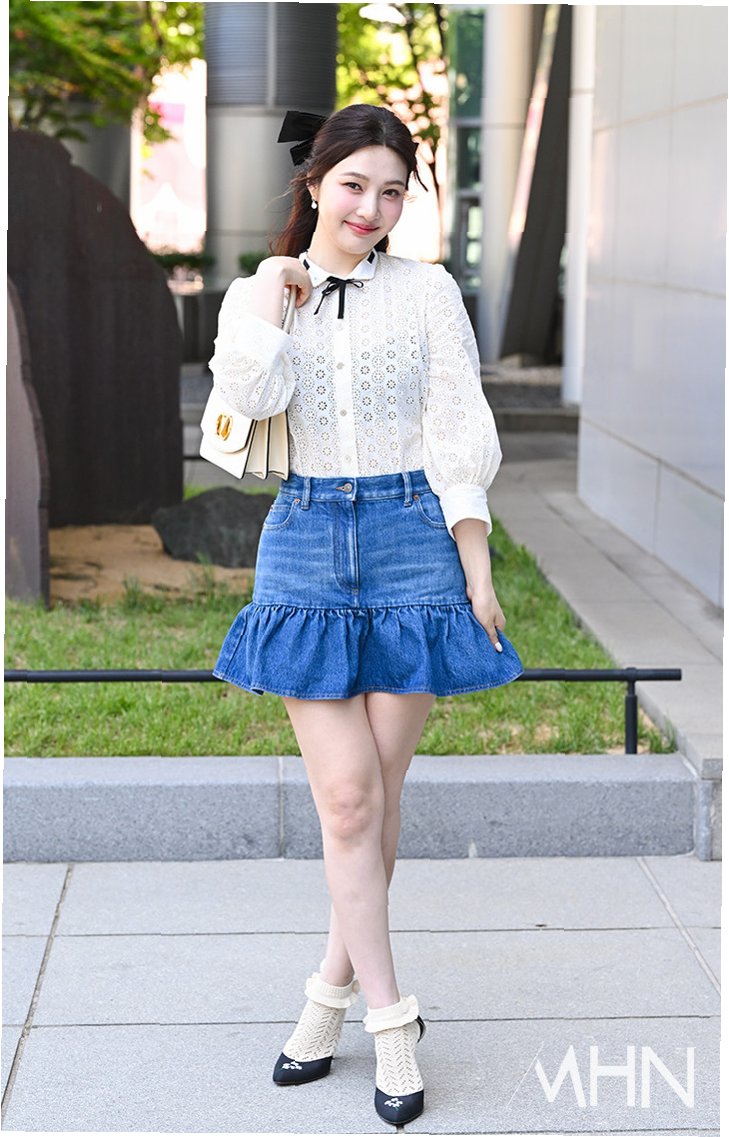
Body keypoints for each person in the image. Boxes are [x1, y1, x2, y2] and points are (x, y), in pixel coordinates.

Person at [208, 103, 524, 1127]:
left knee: (373, 801)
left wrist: (476, 569)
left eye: (392, 192)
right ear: (314, 183)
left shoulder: (428, 293)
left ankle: (326, 996)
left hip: (410, 540)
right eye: (353, 185)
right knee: (349, 802)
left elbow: (457, 430)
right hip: (305, 542)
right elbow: (242, 404)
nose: (372, 209)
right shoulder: (261, 293)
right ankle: (391, 1020)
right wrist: (272, 292)